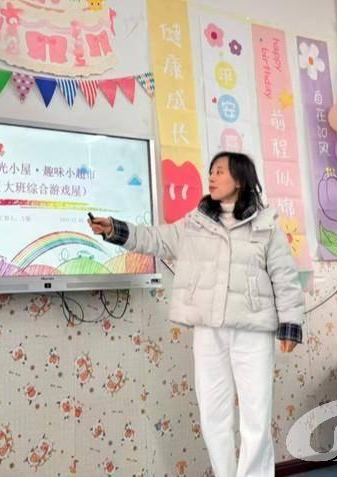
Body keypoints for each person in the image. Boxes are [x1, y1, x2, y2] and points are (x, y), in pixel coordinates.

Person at [89, 152, 305, 477]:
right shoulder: (196, 222)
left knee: (256, 416)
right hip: (208, 329)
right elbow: (156, 239)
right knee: (213, 415)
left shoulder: (265, 224)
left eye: (220, 171)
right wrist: (116, 230)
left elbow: (285, 276)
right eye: (211, 171)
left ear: (240, 179)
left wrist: (290, 323)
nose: (212, 177)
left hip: (252, 329)